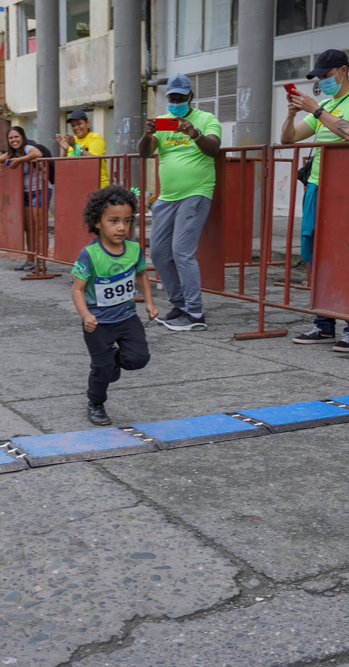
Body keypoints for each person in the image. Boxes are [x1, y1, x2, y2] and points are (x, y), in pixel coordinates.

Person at [282, 49, 349, 353]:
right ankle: (323, 324)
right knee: (317, 258)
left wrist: (315, 110)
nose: (322, 82)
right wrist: (291, 114)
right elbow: (288, 139)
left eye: (325, 76)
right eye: (319, 78)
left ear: (342, 71)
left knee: (348, 259)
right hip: (317, 188)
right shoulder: (324, 104)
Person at [138, 73, 221, 332]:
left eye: (180, 98)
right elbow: (145, 153)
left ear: (190, 97)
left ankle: (195, 314)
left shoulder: (206, 119)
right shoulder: (163, 122)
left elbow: (214, 149)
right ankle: (180, 305)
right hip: (167, 197)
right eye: (171, 98)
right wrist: (147, 134)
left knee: (181, 250)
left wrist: (194, 134)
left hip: (196, 192)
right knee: (160, 253)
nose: (175, 102)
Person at [71, 185, 157, 426]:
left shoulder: (133, 249)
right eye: (114, 221)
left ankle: (114, 362)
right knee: (102, 369)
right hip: (97, 323)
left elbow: (141, 276)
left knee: (139, 358)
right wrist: (85, 315)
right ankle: (96, 403)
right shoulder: (90, 254)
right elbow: (77, 289)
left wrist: (149, 304)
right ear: (97, 222)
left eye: (127, 221)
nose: (122, 227)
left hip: (127, 317)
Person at [0, 126, 49, 271]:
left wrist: (19, 160)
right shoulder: (13, 152)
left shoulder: (27, 148)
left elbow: (37, 153)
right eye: (11, 138)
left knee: (40, 228)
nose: (14, 140)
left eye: (16, 137)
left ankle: (41, 262)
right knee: (29, 228)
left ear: (22, 137)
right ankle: (31, 261)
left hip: (40, 190)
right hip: (24, 193)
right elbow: (3, 157)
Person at [56, 110, 109, 188]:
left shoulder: (95, 137)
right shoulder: (71, 140)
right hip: (77, 186)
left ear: (87, 123)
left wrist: (75, 146)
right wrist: (65, 150)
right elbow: (63, 168)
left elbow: (94, 160)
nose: (76, 127)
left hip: (98, 186)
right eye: (73, 125)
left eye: (79, 124)